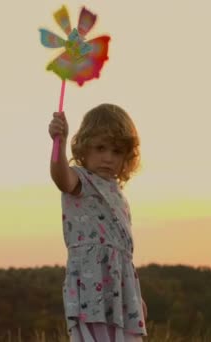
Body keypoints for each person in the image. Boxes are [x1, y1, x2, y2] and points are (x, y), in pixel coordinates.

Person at [48, 103, 148, 342]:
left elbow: (124, 252)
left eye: (117, 151)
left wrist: (136, 295)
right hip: (91, 285)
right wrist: (58, 142)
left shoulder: (119, 195)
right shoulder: (80, 180)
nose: (108, 158)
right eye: (101, 148)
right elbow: (61, 177)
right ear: (84, 147)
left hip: (121, 290)